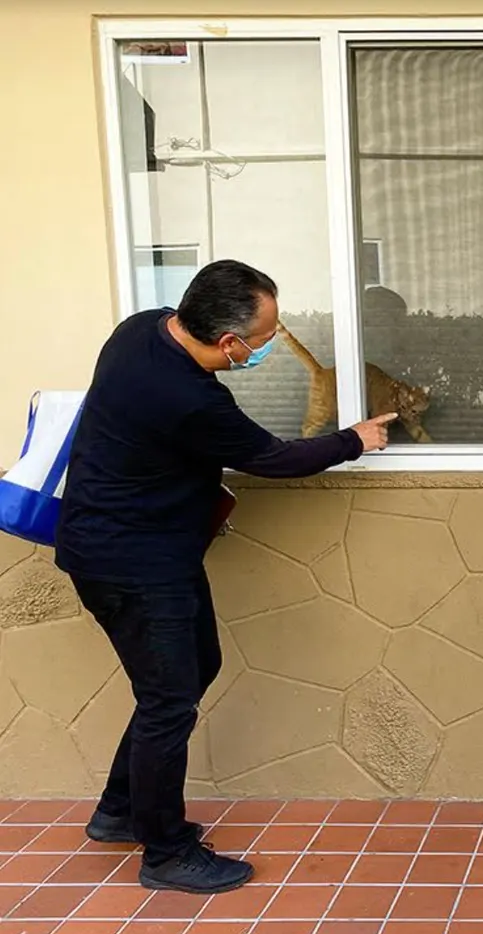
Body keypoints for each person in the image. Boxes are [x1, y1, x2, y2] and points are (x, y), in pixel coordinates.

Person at [55, 260, 395, 894]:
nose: (272, 342)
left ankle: (120, 809)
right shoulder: (188, 398)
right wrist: (354, 439)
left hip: (131, 551)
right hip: (133, 563)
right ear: (229, 342)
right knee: (168, 700)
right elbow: (272, 457)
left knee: (191, 670)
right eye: (266, 336)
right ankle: (165, 851)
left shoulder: (139, 330)